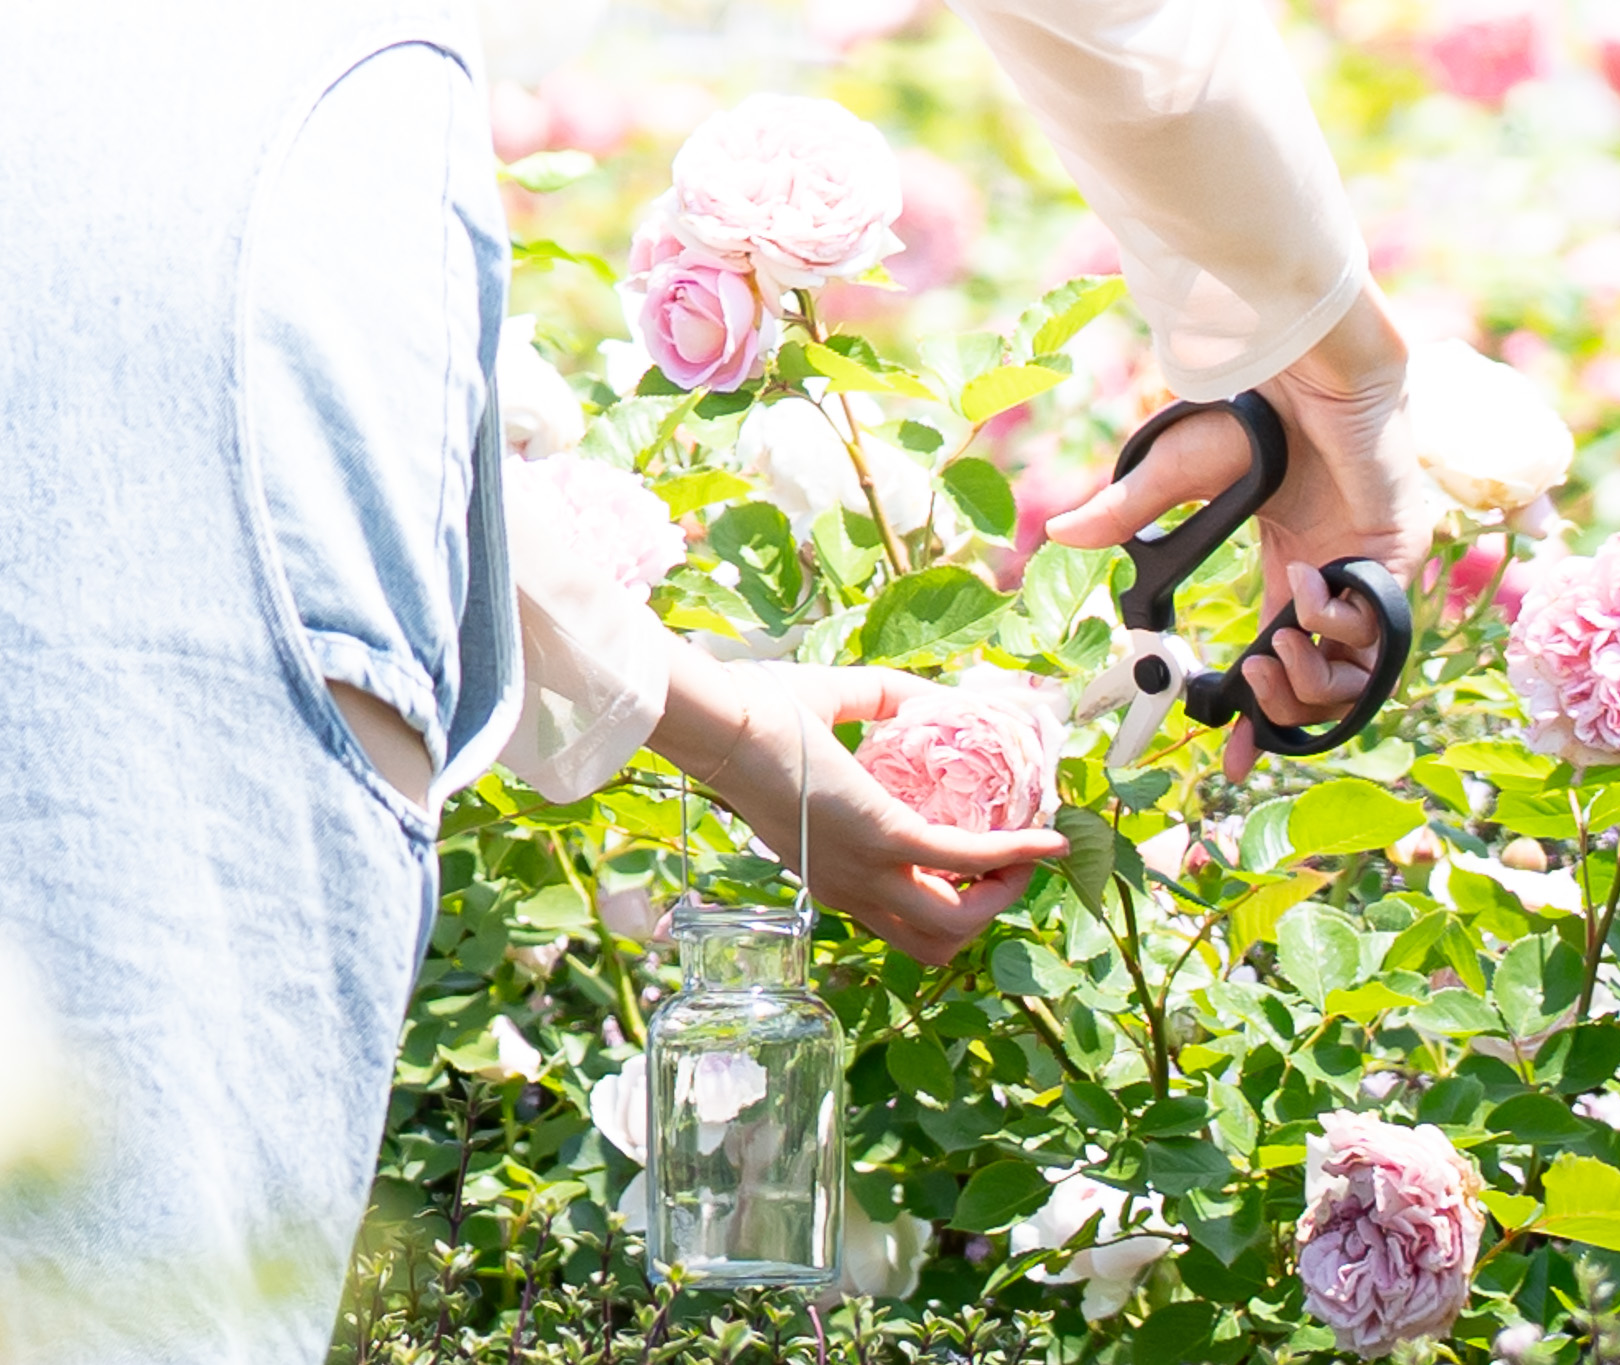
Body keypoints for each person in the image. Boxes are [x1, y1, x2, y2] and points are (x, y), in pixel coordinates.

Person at [0, 3, 1425, 1363]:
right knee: (121, 1274)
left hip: (186, 237)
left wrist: (716, 722)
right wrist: (1332, 355)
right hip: (205, 256)